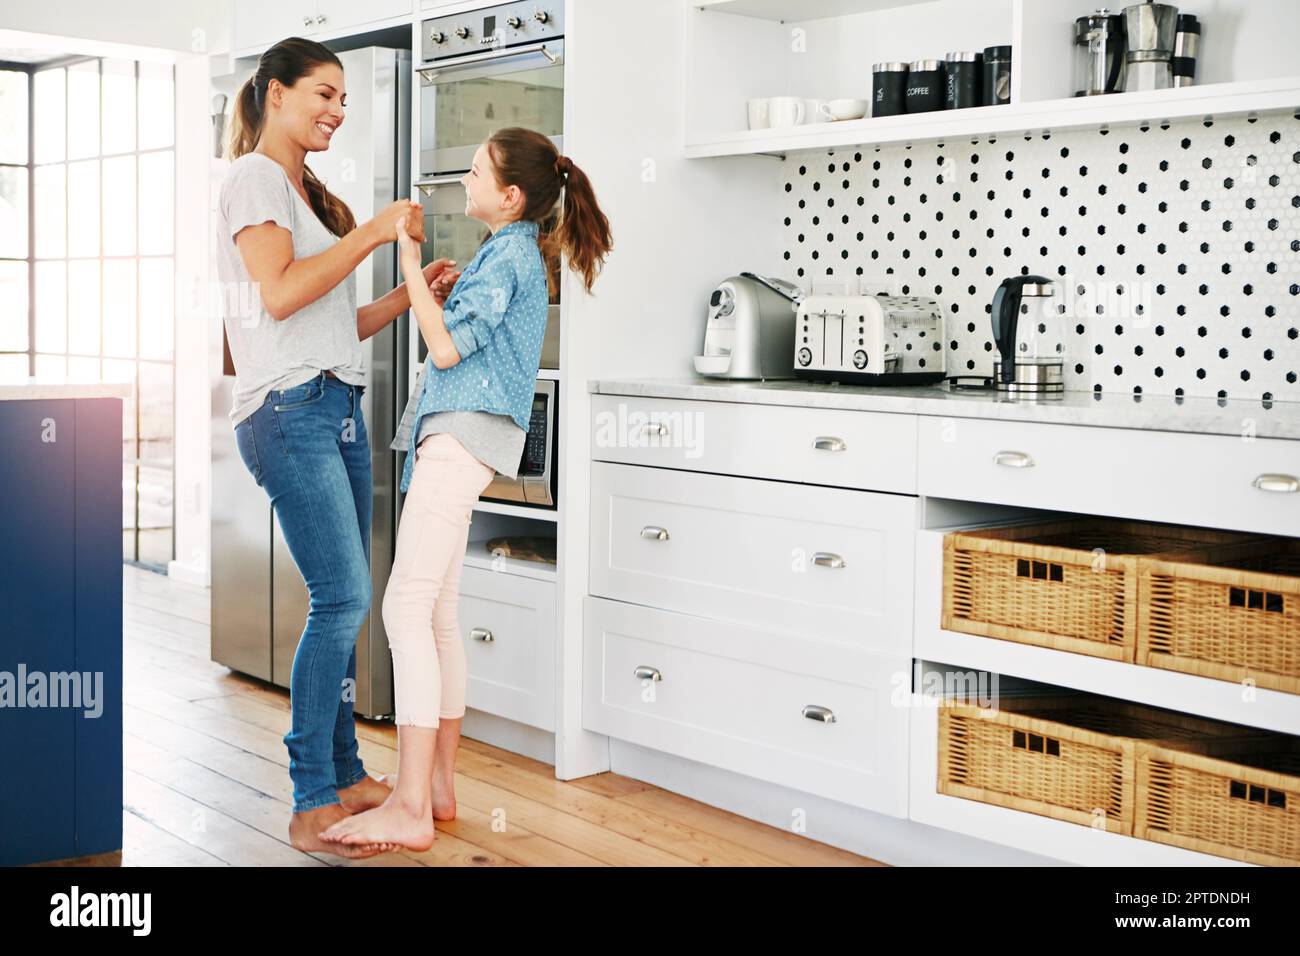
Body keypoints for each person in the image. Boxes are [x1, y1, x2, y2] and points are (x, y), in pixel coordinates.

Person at [320, 127, 612, 851]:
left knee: (403, 607)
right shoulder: (509, 253)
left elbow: (443, 348)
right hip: (464, 443)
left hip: (458, 442)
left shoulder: (509, 254)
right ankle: (439, 790)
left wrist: (412, 264)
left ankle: (410, 805)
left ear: (510, 196)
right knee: (439, 612)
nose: (464, 180)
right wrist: (436, 290)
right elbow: (458, 338)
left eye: (476, 171)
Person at [217, 36, 459, 858]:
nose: (336, 111)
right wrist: (376, 231)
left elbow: (332, 323)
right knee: (343, 598)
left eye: (344, 99)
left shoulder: (308, 190)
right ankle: (310, 798)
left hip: (336, 401)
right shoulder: (253, 177)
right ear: (275, 93)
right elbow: (281, 295)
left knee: (347, 599)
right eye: (322, 93)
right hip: (289, 413)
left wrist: (406, 293)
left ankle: (350, 773)